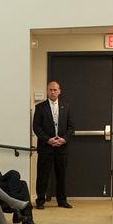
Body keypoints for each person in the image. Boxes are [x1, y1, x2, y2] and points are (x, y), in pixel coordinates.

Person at [32, 80, 73, 209]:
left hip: (62, 147)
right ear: (47, 91)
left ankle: (62, 200)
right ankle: (40, 201)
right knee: (43, 175)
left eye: (55, 90)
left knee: (61, 175)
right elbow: (36, 128)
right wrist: (48, 140)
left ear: (59, 91)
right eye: (50, 90)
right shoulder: (40, 107)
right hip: (46, 147)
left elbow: (71, 127)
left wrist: (64, 139)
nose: (53, 92)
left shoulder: (66, 107)